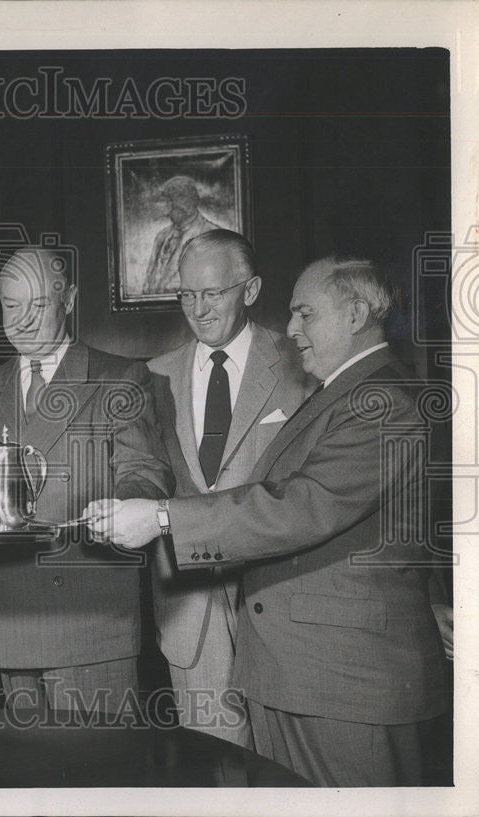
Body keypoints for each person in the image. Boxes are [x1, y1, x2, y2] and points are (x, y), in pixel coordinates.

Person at [88, 257, 451, 785]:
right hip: (294, 665)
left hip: (342, 675)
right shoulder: (341, 391)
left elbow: (301, 505)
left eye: (305, 313)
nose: (293, 327)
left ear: (355, 314)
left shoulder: (380, 400)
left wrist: (163, 517)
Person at [0, 247, 174, 714]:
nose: (23, 321)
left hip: (89, 618)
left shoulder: (119, 378)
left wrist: (123, 511)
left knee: (99, 777)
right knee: (24, 781)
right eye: (11, 306)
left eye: (38, 305)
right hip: (8, 622)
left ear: (70, 299)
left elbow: (145, 473)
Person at [145, 229, 310, 747]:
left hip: (282, 600)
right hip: (190, 615)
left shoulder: (301, 365)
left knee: (289, 772)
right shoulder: (153, 376)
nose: (198, 309)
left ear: (251, 290)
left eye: (213, 293)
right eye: (186, 295)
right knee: (215, 776)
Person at [142, 175, 221, 294]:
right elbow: (148, 283)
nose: (167, 211)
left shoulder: (214, 236)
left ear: (188, 203)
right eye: (166, 201)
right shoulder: (162, 236)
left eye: (171, 202)